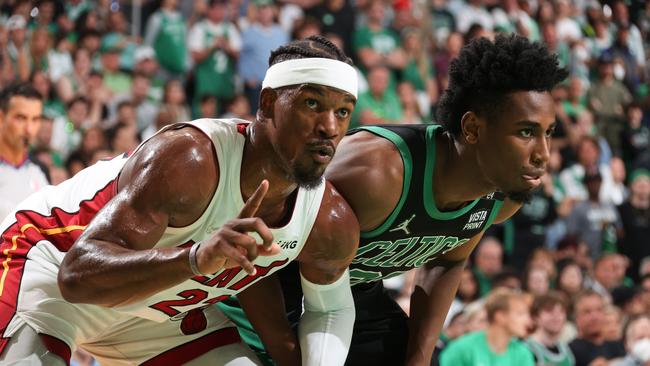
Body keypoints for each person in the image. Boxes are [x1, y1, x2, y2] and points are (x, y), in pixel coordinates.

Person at [0, 36, 359, 366]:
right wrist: (197, 257)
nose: (329, 126)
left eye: (343, 112)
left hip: (155, 315)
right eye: (312, 103)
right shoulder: (192, 160)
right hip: (49, 265)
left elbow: (258, 282)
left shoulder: (326, 217)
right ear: (267, 103)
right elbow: (76, 278)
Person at [226, 34, 568, 365]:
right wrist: (286, 354)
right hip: (268, 285)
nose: (543, 155)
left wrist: (418, 358)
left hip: (355, 297)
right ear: (473, 129)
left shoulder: (502, 196)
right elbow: (253, 246)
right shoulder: (378, 173)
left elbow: (446, 262)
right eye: (526, 132)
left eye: (548, 133)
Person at [439, 288, 534, 366]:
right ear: (500, 316)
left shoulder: (523, 354)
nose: (528, 321)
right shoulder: (461, 348)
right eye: (520, 314)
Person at [0, 83, 48, 221]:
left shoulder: (40, 170)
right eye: (21, 118)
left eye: (35, 119)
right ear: (1, 118)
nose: (29, 129)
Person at [526, 291, 575, 366]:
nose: (557, 317)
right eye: (549, 311)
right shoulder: (527, 349)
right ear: (535, 317)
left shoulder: (566, 349)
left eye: (561, 311)